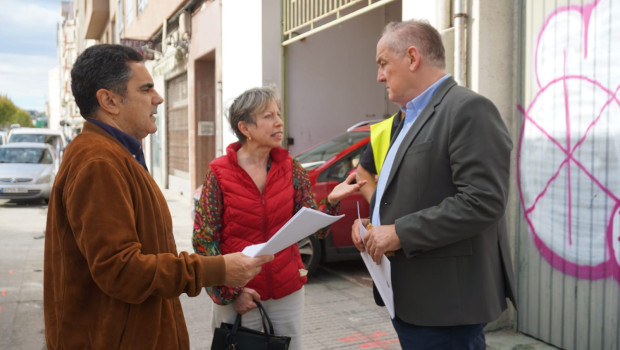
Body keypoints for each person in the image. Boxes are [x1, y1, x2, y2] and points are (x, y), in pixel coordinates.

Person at [43, 44, 273, 350]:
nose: (159, 99)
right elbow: (122, 270)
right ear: (109, 100)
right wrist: (218, 269)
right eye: (146, 89)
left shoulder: (115, 155)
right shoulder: (98, 162)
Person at [351, 20, 516, 349]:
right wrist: (375, 225)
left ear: (412, 58)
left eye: (383, 64)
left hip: (447, 308)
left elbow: (483, 201)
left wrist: (398, 233)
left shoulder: (468, 109)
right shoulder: (405, 118)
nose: (379, 76)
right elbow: (416, 192)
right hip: (413, 299)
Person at [192, 86, 366, 350]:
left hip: (287, 290)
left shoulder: (291, 168)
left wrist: (331, 202)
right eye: (268, 116)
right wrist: (230, 293)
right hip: (241, 293)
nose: (279, 122)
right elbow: (204, 240)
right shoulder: (219, 173)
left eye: (279, 114)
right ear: (245, 128)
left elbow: (313, 229)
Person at [356, 110, 403, 202]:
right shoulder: (384, 128)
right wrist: (377, 208)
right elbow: (362, 172)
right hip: (394, 213)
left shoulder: (434, 120)